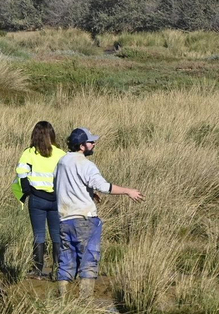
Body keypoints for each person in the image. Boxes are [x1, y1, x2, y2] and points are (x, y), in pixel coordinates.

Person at [53, 127, 143, 299]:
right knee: (88, 261)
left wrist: (89, 191)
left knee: (66, 261)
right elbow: (104, 186)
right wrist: (128, 191)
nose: (94, 144)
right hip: (85, 220)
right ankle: (85, 302)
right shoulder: (86, 164)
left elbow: (59, 185)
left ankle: (63, 300)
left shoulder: (62, 161)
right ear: (81, 146)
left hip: (64, 220)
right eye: (90, 142)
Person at [13, 120, 66, 278]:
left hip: (37, 199)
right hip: (57, 200)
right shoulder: (61, 154)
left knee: (38, 234)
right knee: (57, 235)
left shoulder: (29, 153)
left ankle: (37, 270)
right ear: (52, 134)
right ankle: (58, 271)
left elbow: (21, 173)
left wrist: (27, 191)